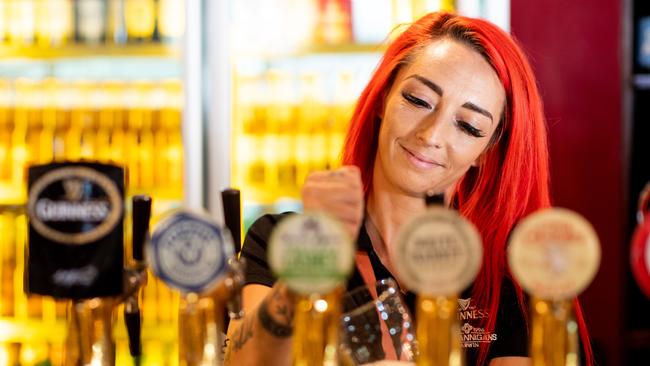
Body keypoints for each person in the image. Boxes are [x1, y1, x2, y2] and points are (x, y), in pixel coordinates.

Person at [224, 11, 593, 366]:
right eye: (418, 100)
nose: (431, 135)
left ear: (487, 151)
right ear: (384, 97)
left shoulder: (515, 267)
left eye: (467, 125)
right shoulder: (279, 239)